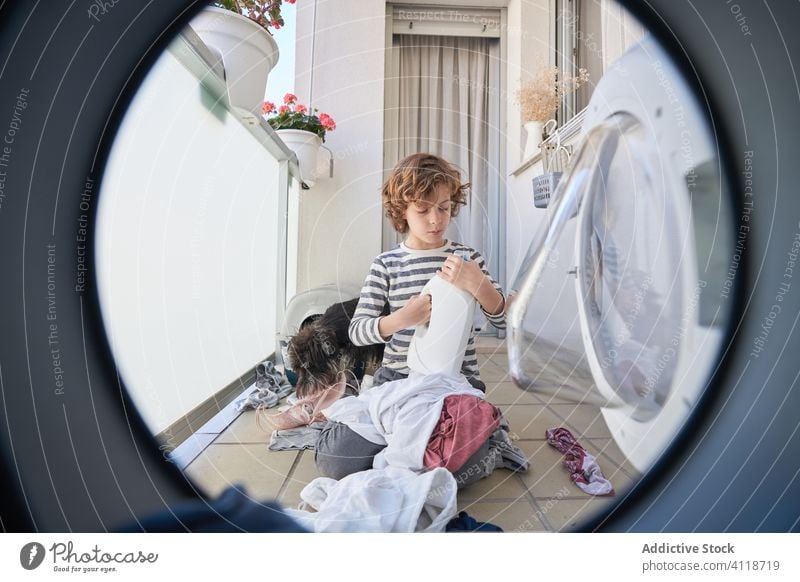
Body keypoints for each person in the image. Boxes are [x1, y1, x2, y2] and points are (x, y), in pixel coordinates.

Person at [315, 153, 507, 481]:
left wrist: (479, 284)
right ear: (401, 211)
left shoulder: (468, 259)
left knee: (463, 466)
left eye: (444, 207)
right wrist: (401, 318)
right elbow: (358, 332)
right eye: (423, 209)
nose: (436, 219)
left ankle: (413, 446)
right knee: (335, 461)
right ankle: (411, 445)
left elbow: (502, 323)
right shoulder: (386, 264)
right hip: (398, 381)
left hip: (455, 384)